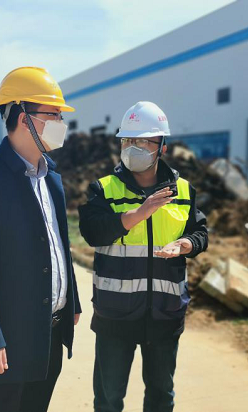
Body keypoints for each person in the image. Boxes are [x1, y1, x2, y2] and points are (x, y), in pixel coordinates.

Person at [0, 66, 82, 412]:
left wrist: (71, 301)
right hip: (4, 346)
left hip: (48, 337)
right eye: (53, 115)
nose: (61, 123)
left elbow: (58, 244)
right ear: (25, 118)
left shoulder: (51, 177)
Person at [79, 101, 208, 412]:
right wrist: (138, 213)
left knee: (161, 397)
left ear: (162, 147)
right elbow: (93, 232)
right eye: (127, 140)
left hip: (165, 314)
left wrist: (186, 244)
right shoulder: (103, 189)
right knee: (108, 400)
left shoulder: (183, 191)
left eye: (143, 141)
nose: (133, 148)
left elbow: (201, 232)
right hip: (115, 316)